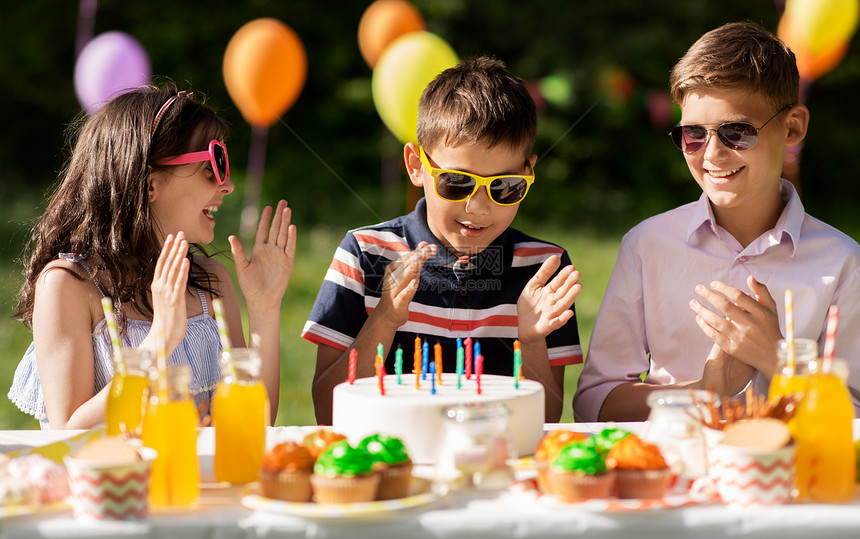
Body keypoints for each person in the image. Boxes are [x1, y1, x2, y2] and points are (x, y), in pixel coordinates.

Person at [573, 22, 860, 422]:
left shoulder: (844, 263)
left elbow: (853, 420)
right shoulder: (647, 244)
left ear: (792, 126)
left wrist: (778, 360)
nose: (713, 154)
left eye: (736, 132)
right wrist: (703, 392)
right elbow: (594, 405)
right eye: (693, 134)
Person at [304, 56, 583, 425]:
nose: (478, 207)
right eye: (457, 182)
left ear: (528, 171)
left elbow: (544, 420)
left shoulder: (543, 271)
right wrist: (385, 318)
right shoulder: (365, 253)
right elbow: (328, 411)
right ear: (417, 165)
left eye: (505, 186)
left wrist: (530, 340)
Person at [8, 86, 297, 429]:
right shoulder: (68, 285)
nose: (227, 184)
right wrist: (158, 340)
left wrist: (264, 308)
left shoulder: (211, 283)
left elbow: (255, 423)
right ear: (149, 184)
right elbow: (71, 432)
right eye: (212, 165)